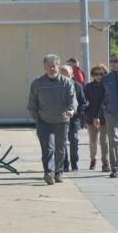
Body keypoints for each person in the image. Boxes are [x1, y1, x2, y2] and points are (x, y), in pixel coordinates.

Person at [27, 54, 77, 185]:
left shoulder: (66, 83)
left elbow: (73, 100)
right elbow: (32, 105)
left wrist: (71, 110)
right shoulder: (37, 83)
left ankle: (58, 172)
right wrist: (38, 119)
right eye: (48, 66)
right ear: (44, 67)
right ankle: (48, 172)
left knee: (60, 148)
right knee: (48, 148)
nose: (51, 69)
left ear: (58, 66)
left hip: (62, 121)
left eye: (54, 66)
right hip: (44, 122)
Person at [60, 64, 88, 172]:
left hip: (74, 118)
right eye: (62, 74)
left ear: (71, 75)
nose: (65, 76)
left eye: (67, 74)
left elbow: (83, 102)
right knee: (62, 141)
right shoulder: (57, 86)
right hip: (61, 119)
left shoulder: (77, 86)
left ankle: (74, 162)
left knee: (74, 140)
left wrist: (79, 116)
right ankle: (65, 164)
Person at [84, 64, 110, 172]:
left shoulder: (108, 87)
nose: (98, 76)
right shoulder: (88, 87)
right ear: (92, 75)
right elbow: (84, 102)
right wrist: (87, 115)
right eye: (96, 74)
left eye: (101, 74)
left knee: (104, 140)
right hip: (91, 118)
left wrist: (98, 116)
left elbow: (106, 102)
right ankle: (93, 159)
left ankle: (105, 162)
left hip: (105, 117)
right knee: (93, 141)